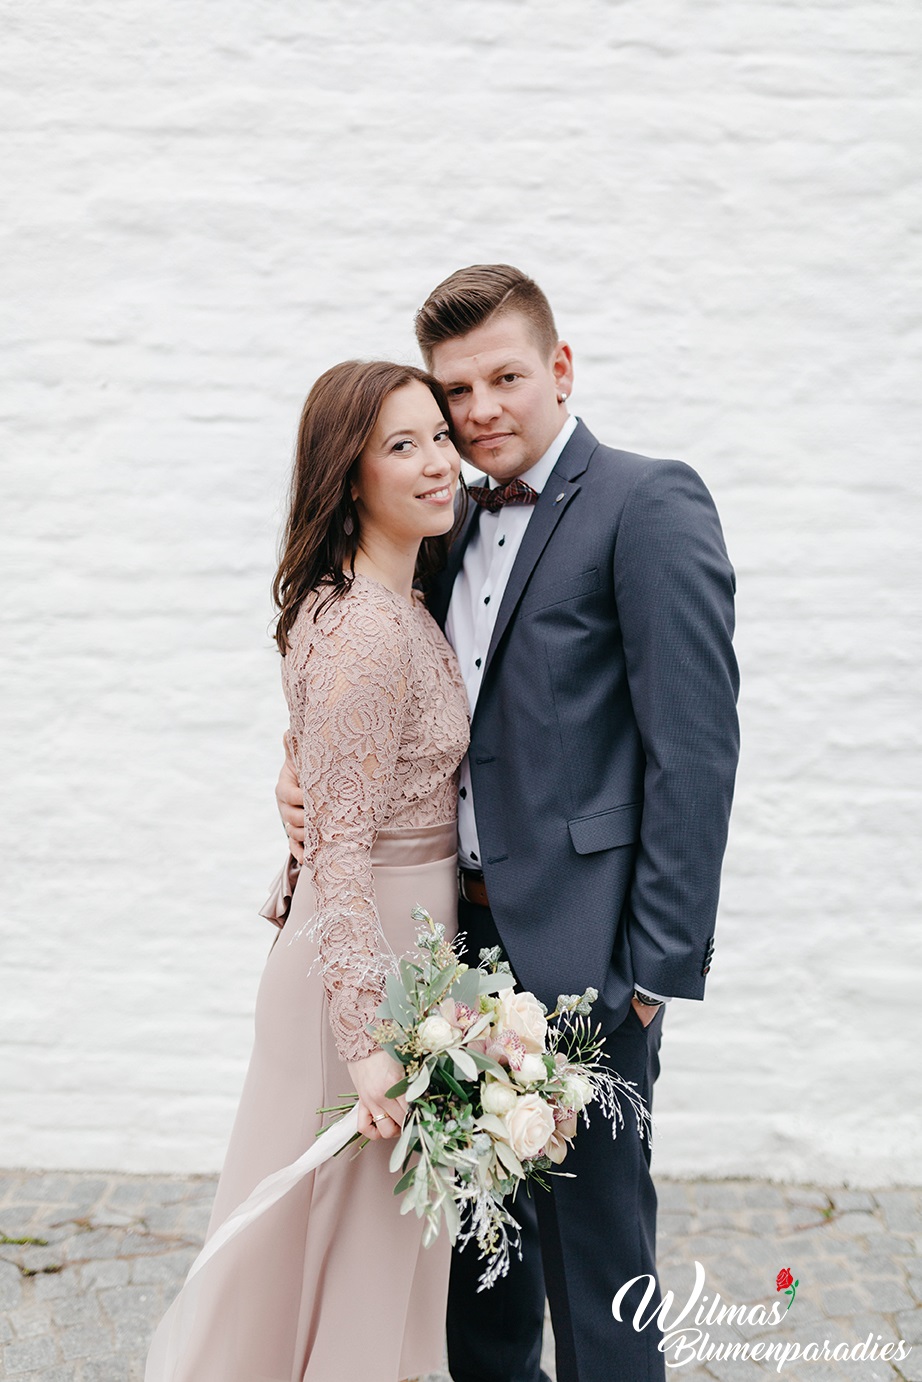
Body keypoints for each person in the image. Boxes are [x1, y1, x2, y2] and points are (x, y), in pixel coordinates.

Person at [277, 266, 740, 1382]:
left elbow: (693, 750)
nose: (478, 410)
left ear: (560, 368)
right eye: (456, 391)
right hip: (448, 947)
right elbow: (379, 708)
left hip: (588, 953)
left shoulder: (646, 502)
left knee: (597, 1259)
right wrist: (295, 786)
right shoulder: (440, 519)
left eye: (505, 378)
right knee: (475, 1271)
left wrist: (652, 971)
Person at [148, 360, 470, 1382]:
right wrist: (367, 1042)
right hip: (358, 975)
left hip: (401, 950)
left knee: (358, 1260)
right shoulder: (366, 627)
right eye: (403, 445)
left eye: (439, 436)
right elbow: (338, 852)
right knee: (333, 1260)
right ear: (350, 474)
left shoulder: (394, 601)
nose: (438, 462)